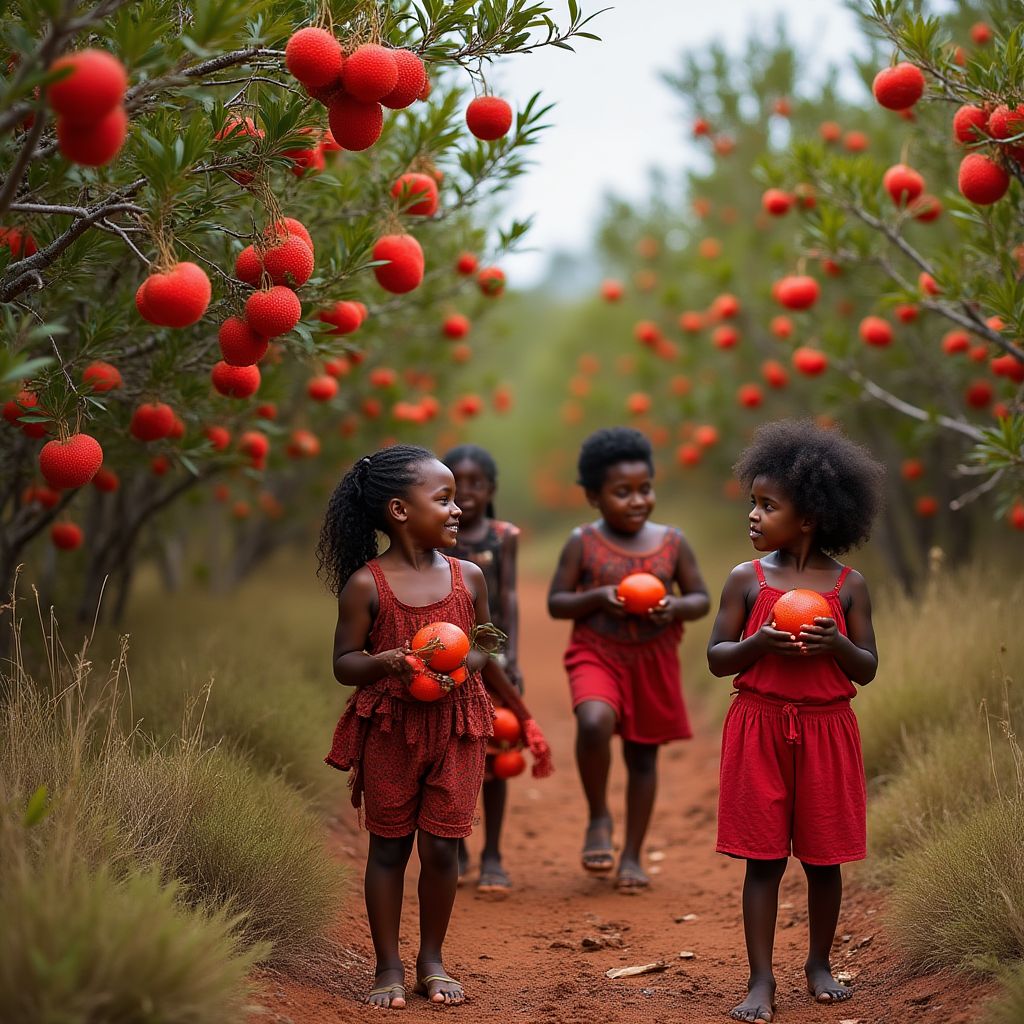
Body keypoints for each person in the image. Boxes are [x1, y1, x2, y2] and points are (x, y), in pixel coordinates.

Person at [706, 419, 883, 1024]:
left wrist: (836, 644)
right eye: (752, 504)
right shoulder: (745, 580)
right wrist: (759, 643)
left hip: (827, 730)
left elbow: (866, 669)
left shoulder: (849, 586)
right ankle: (761, 979)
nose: (753, 516)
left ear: (808, 517)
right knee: (764, 860)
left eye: (767, 506)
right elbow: (716, 658)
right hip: (758, 726)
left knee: (823, 859)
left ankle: (818, 963)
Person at [318, 445, 495, 1010]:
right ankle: (388, 964)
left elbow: (486, 643)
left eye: (454, 499)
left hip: (457, 724)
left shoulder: (469, 577)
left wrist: (464, 667)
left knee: (443, 848)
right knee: (389, 849)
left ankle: (431, 959)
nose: (457, 508)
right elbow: (345, 663)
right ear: (399, 510)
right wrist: (388, 660)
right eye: (442, 499)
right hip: (392, 728)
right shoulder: (367, 586)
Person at [547, 426, 710, 891]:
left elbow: (700, 598)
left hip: (654, 659)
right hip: (596, 651)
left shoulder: (673, 542)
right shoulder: (582, 542)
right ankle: (598, 815)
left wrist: (674, 606)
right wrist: (597, 596)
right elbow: (557, 602)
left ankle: (633, 854)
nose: (637, 501)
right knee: (594, 721)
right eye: (623, 493)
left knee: (643, 758)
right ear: (595, 497)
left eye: (645, 489)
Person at [443, 444, 529, 895]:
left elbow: (509, 596)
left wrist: (508, 658)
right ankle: (455, 845)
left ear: (491, 489)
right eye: (459, 483)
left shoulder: (502, 536)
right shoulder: (438, 533)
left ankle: (493, 852)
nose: (469, 493)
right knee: (454, 755)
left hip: (490, 662)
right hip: (446, 663)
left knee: (498, 754)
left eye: (478, 483)